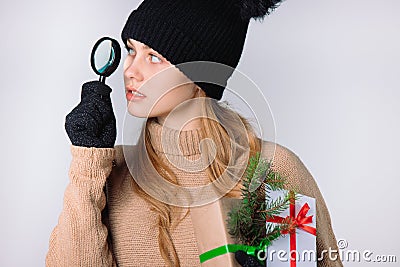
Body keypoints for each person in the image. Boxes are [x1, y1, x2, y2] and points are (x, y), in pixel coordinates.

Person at [46, 0, 344, 266]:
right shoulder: (108, 169)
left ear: (200, 73)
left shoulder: (273, 168)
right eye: (131, 50)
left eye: (153, 57)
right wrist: (87, 161)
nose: (129, 71)